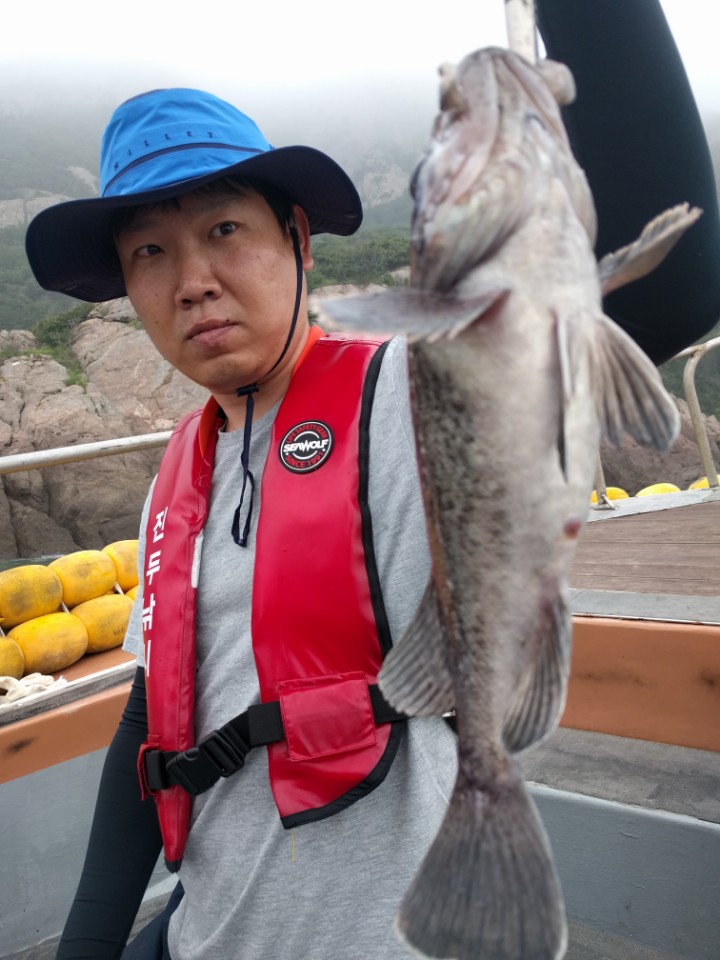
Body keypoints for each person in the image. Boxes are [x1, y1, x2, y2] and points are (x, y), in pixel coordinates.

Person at [24, 2, 720, 958]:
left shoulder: (414, 390)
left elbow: (671, 290)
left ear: (299, 240)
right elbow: (153, 716)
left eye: (225, 229)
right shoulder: (177, 475)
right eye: (150, 251)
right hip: (207, 932)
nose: (193, 279)